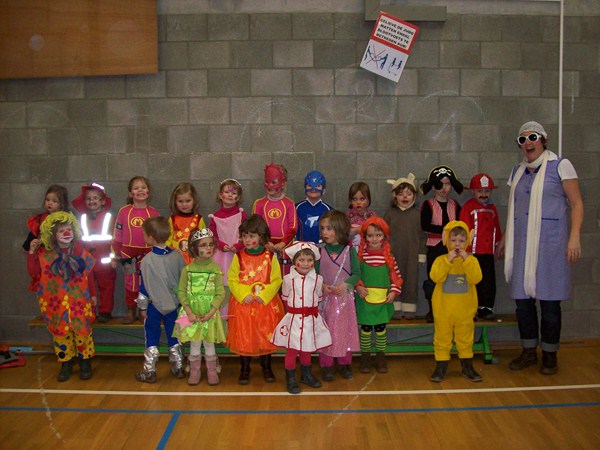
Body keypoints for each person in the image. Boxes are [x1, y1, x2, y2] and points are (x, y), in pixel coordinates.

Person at [500, 121, 583, 375]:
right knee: (523, 304)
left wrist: (574, 237)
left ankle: (549, 354)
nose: (527, 143)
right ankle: (528, 350)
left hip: (551, 246)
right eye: (522, 139)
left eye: (532, 137)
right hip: (522, 246)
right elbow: (515, 209)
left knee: (549, 304)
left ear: (543, 140)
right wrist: (505, 238)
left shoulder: (560, 166)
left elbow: (576, 204)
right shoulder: (517, 171)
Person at [26, 211, 96, 381]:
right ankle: (66, 363)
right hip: (56, 302)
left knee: (82, 331)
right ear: (52, 234)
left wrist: (93, 294)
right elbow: (34, 273)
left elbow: (89, 274)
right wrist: (31, 253)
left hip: (79, 299)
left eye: (68, 229)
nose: (66, 233)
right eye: (61, 230)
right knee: (61, 333)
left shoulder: (80, 251)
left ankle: (85, 362)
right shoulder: (45, 255)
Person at [227, 214, 285, 385]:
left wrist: (264, 295)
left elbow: (276, 280)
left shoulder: (270, 257)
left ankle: (266, 367)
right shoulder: (238, 257)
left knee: (264, 335)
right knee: (245, 336)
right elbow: (232, 279)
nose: (247, 240)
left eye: (251, 236)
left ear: (261, 236)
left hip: (265, 305)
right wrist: (243, 294)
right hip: (244, 305)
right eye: (244, 236)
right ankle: (245, 368)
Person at [271, 241, 332, 394]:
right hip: (293, 320)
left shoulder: (318, 279)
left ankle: (306, 375)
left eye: (309, 260)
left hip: (310, 320)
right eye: (301, 260)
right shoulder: (288, 279)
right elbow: (285, 298)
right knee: (292, 350)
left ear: (314, 262)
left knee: (307, 348)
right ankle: (290, 378)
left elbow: (318, 298)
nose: (305, 264)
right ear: (294, 261)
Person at [429, 221, 483, 383]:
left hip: (465, 312)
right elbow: (436, 277)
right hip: (443, 311)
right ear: (446, 240)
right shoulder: (440, 260)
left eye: (461, 241)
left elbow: (476, 278)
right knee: (442, 339)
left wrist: (466, 261)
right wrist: (448, 261)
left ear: (467, 241)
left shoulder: (472, 261)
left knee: (465, 339)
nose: (457, 244)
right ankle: (441, 367)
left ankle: (467, 367)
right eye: (453, 240)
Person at [134, 216, 186, 383]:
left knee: (151, 336)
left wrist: (142, 307)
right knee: (174, 335)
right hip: (174, 306)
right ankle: (178, 366)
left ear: (150, 237)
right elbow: (183, 282)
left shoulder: (147, 261)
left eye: (144, 234)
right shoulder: (177, 257)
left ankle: (149, 370)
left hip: (154, 306)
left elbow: (144, 287)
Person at [174, 228, 226, 386]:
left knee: (209, 343)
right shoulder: (187, 269)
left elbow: (220, 293)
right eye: (204, 245)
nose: (209, 248)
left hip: (209, 312)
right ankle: (194, 371)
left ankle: (211, 371)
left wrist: (212, 312)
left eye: (211, 244)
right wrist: (189, 312)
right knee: (195, 342)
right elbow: (181, 291)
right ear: (194, 248)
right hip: (191, 312)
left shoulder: (215, 269)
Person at [355, 217, 403, 374]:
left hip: (383, 301)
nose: (374, 239)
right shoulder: (360, 257)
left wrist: (394, 292)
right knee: (366, 330)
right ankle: (365, 359)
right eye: (370, 236)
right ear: (365, 237)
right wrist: (358, 286)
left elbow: (396, 277)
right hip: (365, 301)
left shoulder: (388, 257)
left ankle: (381, 358)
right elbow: (355, 275)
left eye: (378, 235)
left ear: (384, 236)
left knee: (381, 329)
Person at [317, 210, 360, 381]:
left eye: (329, 228)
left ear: (340, 229)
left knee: (344, 331)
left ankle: (344, 363)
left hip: (344, 300)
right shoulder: (319, 251)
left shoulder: (349, 251)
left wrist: (346, 284)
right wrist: (322, 286)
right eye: (322, 228)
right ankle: (326, 364)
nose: (325, 232)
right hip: (326, 300)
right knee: (325, 332)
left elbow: (357, 273)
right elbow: (314, 274)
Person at [111, 176, 159, 324]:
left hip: (148, 255)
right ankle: (131, 311)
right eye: (136, 188)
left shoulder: (153, 213)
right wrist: (115, 254)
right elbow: (118, 234)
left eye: (143, 187)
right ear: (130, 193)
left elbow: (158, 236)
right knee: (130, 284)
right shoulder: (124, 212)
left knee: (147, 284)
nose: (140, 190)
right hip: (127, 254)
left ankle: (143, 311)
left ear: (148, 191)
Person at [420, 165, 463, 323]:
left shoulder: (455, 205)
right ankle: (433, 309)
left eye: (447, 184)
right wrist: (446, 230)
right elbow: (425, 225)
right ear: (433, 186)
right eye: (440, 184)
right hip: (434, 247)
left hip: (453, 249)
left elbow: (461, 226)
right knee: (434, 278)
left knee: (453, 278)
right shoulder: (428, 205)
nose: (444, 188)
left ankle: (452, 310)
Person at [459, 173, 503, 320]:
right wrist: (466, 249)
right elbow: (464, 229)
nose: (484, 194)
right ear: (473, 191)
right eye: (480, 191)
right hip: (473, 252)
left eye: (487, 191)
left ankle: (486, 307)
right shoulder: (468, 207)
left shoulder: (492, 208)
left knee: (488, 280)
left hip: (488, 252)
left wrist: (498, 246)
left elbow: (496, 228)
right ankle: (471, 308)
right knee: (473, 280)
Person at [71, 182, 117, 323]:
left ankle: (105, 312)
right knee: (86, 287)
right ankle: (89, 311)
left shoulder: (110, 217)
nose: (92, 201)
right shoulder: (81, 219)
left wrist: (114, 258)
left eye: (95, 198)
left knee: (106, 287)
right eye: (88, 199)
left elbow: (116, 240)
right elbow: (78, 239)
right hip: (87, 261)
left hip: (105, 261)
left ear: (102, 201)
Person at [383, 173, 421, 320]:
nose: (405, 197)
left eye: (408, 194)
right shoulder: (390, 214)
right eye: (401, 194)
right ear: (395, 196)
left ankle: (409, 306)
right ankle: (395, 306)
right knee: (393, 278)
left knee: (411, 280)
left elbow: (422, 235)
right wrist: (384, 253)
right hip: (393, 254)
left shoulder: (417, 214)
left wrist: (421, 253)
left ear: (414, 196)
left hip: (412, 254)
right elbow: (383, 234)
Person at [208, 178, 247, 317]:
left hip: (238, 254)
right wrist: (221, 245)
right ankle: (223, 316)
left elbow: (246, 233)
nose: (230, 195)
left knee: (238, 282)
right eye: (227, 192)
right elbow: (213, 236)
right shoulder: (215, 217)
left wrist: (239, 245)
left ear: (238, 197)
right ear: (220, 195)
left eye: (234, 193)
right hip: (221, 256)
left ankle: (237, 314)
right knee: (222, 284)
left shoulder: (241, 214)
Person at [252, 163, 298, 274]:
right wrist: (266, 243)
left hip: (286, 246)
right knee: (265, 275)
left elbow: (293, 227)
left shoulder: (289, 204)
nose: (269, 185)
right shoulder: (259, 204)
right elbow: (255, 226)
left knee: (285, 275)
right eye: (267, 182)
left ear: (283, 184)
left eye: (273, 182)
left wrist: (282, 243)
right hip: (265, 245)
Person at [166, 182, 206, 265]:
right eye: (180, 201)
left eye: (188, 201)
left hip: (193, 259)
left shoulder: (198, 219)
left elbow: (203, 239)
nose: (184, 204)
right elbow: (168, 239)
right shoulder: (172, 219)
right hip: (175, 259)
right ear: (175, 201)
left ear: (194, 200)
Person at [22, 184, 69, 252]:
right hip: (43, 250)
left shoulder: (65, 218)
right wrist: (26, 246)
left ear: (62, 204)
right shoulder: (41, 218)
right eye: (47, 200)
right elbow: (33, 233)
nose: (50, 203)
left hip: (60, 250)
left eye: (54, 201)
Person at [295, 170, 334, 244]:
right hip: (300, 248)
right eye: (309, 185)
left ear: (324, 190)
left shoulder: (329, 210)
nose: (313, 189)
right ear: (304, 189)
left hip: (322, 248)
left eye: (317, 186)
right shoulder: (296, 208)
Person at [346, 182, 376, 248]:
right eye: (354, 199)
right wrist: (356, 230)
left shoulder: (371, 216)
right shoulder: (347, 216)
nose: (358, 202)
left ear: (368, 200)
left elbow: (375, 234)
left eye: (362, 199)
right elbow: (343, 234)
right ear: (350, 201)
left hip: (367, 248)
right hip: (351, 248)